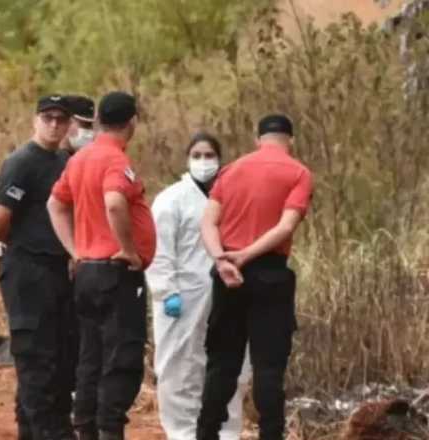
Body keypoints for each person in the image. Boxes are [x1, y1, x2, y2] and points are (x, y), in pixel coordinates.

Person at [196, 115, 313, 440]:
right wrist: (247, 255)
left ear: (257, 138)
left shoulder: (231, 170)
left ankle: (205, 433)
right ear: (290, 139)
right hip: (270, 276)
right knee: (269, 367)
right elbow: (286, 227)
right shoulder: (298, 173)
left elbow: (207, 223)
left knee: (221, 362)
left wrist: (222, 259)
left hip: (226, 274)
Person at [47, 91, 156, 440]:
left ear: (97, 122)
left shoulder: (79, 159)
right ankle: (110, 431)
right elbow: (114, 203)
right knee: (120, 361)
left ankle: (87, 429)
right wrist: (128, 249)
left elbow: (55, 204)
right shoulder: (113, 159)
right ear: (133, 122)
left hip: (88, 273)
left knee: (90, 359)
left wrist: (75, 250)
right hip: (116, 273)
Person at [145, 133, 251, 440]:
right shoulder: (171, 199)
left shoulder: (231, 197)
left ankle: (226, 430)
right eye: (197, 155)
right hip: (183, 296)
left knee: (230, 366)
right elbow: (160, 250)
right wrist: (166, 291)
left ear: (220, 159)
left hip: (225, 292)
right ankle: (182, 432)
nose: (204, 162)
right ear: (187, 158)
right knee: (179, 367)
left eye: (209, 155)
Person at [0, 95, 79, 440]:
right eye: (48, 117)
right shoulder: (22, 162)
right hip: (28, 270)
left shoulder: (64, 160)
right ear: (35, 120)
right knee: (37, 360)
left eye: (60, 119)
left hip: (58, 271)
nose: (54, 124)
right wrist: (26, 244)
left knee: (58, 358)